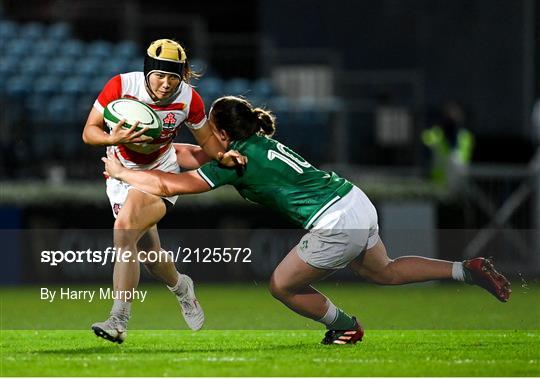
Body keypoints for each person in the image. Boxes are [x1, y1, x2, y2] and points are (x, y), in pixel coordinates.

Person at [103, 95, 511, 345]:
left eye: (211, 127)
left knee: (281, 285)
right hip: (354, 199)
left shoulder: (236, 160)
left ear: (225, 133)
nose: (206, 133)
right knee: (383, 271)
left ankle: (346, 326)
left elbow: (170, 186)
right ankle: (465, 269)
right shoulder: (258, 140)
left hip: (333, 221)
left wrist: (122, 173)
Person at [82, 39, 244, 344]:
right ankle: (182, 287)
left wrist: (222, 156)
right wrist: (109, 137)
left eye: (174, 76)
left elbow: (208, 141)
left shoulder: (189, 99)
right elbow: (88, 132)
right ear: (147, 71)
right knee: (151, 257)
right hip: (119, 176)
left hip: (161, 172)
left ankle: (118, 320)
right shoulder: (121, 85)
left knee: (124, 229)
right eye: (160, 75)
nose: (167, 84)